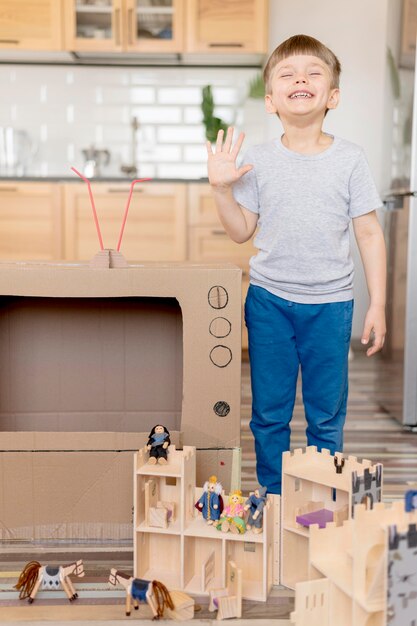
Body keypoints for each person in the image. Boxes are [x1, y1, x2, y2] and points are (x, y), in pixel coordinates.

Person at [206, 34, 387, 495]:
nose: (300, 79)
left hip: (331, 306)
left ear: (333, 96)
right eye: (287, 74)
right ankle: (274, 497)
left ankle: (320, 499)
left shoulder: (350, 160)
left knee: (326, 414)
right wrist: (222, 190)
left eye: (312, 72)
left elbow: (368, 233)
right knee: (269, 413)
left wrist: (378, 304)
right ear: (270, 100)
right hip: (269, 302)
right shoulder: (258, 161)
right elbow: (240, 231)